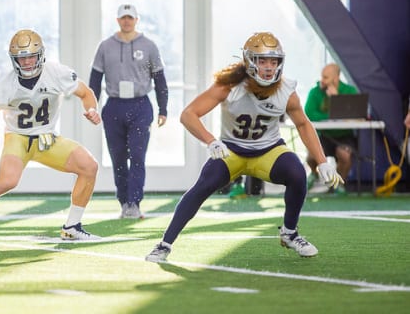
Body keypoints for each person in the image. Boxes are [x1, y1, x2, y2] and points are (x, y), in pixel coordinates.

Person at [145, 32, 343, 262]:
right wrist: (211, 140)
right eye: (262, 60)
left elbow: (303, 124)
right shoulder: (230, 86)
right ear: (249, 61)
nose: (269, 67)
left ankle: (289, 233)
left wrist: (321, 161)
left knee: (297, 172)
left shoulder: (286, 90)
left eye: (274, 61)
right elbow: (188, 115)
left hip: (268, 150)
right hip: (233, 150)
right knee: (203, 185)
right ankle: (164, 244)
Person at [0, 29, 102, 243]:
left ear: (41, 55)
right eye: (21, 58)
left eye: (30, 56)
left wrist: (92, 110)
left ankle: (72, 226)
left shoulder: (56, 73)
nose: (26, 63)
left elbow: (86, 93)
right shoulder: (5, 86)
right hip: (18, 138)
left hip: (47, 139)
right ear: (14, 60)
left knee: (89, 167)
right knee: (7, 182)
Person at [89, 4, 168, 219]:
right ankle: (123, 201)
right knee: (118, 157)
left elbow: (160, 78)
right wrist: (91, 106)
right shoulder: (105, 46)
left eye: (130, 18)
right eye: (123, 18)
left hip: (140, 105)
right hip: (114, 106)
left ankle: (135, 202)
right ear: (117, 20)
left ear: (136, 20)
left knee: (138, 155)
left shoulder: (149, 46)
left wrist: (164, 109)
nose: (126, 21)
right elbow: (95, 80)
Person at [304, 63, 358, 195]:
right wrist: (330, 116)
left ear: (336, 78)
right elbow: (309, 114)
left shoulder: (350, 91)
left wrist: (336, 99)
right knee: (311, 157)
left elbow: (355, 113)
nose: (322, 80)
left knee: (344, 156)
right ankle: (314, 174)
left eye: (326, 77)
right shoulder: (315, 92)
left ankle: (338, 184)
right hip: (324, 135)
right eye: (322, 76)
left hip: (344, 136)